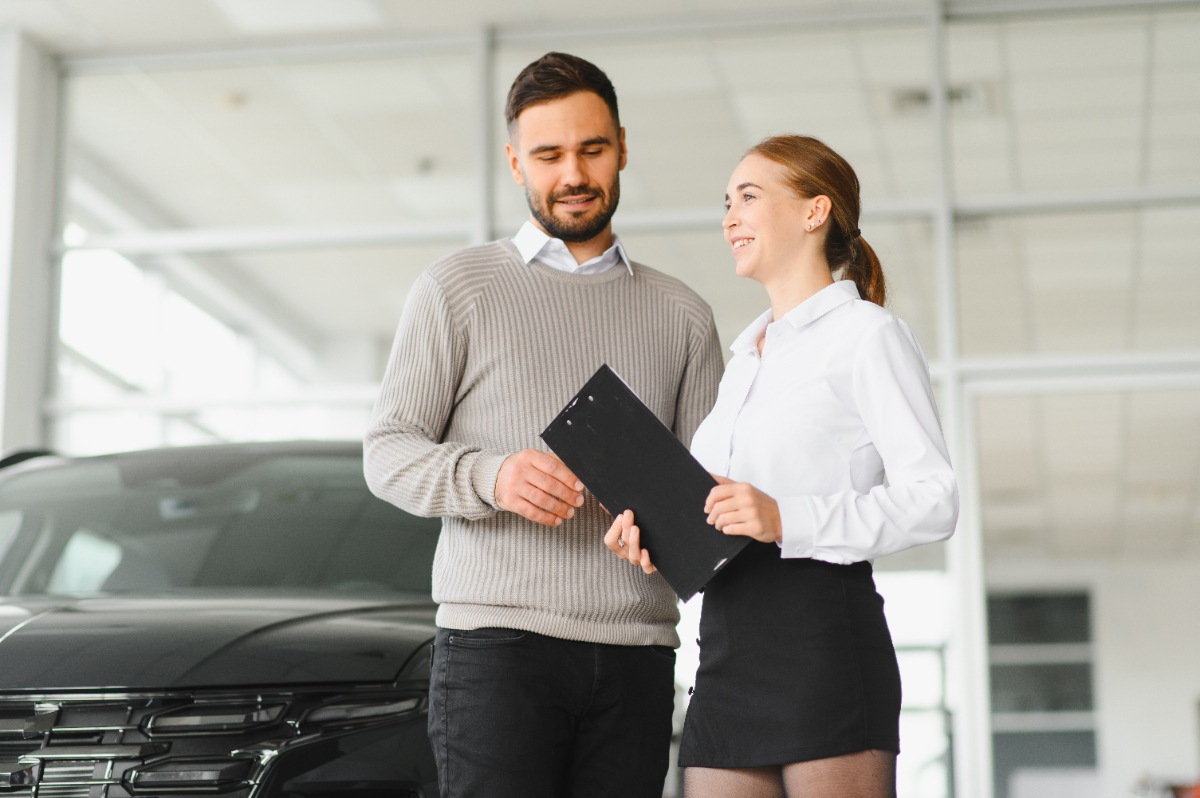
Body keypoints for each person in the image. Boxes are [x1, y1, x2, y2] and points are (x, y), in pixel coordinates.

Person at [363, 52, 725, 798]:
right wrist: (491, 476)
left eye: (592, 150)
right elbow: (387, 454)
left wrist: (672, 533)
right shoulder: (456, 289)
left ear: (622, 148)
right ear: (514, 163)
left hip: (637, 655)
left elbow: (705, 507)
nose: (573, 174)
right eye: (549, 155)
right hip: (497, 651)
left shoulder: (684, 316)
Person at [606, 134, 959, 798]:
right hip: (726, 649)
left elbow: (935, 499)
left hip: (823, 640)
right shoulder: (744, 362)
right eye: (726, 203)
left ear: (814, 211)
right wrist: (657, 536)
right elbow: (720, 510)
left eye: (748, 197)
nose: (729, 218)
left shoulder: (868, 336)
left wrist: (784, 517)